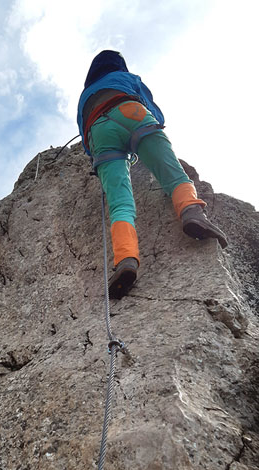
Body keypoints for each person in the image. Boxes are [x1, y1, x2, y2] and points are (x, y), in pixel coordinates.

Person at [77, 50, 228, 299]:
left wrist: (97, 158)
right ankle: (191, 212)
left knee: (120, 204)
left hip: (98, 131)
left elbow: (85, 138)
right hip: (130, 111)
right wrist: (154, 127)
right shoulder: (126, 77)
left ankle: (126, 259)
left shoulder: (85, 95)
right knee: (174, 175)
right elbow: (151, 106)